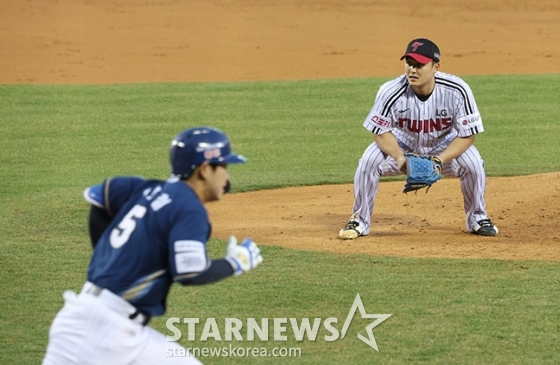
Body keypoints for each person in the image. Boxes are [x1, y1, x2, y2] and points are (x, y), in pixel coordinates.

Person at [43, 126, 264, 365]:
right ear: (204, 170)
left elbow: (100, 196)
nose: (227, 177)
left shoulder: (144, 189)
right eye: (224, 167)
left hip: (85, 318)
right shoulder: (189, 208)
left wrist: (112, 257)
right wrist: (235, 263)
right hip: (108, 333)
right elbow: (190, 272)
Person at [339, 38, 498, 240]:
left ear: (435, 67)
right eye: (409, 63)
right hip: (402, 146)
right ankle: (359, 220)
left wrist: (440, 160)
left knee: (473, 163)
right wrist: (399, 157)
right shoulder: (390, 91)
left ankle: (478, 218)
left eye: (419, 65)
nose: (412, 70)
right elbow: (379, 130)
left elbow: (467, 135)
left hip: (443, 148)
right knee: (368, 161)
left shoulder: (457, 90)